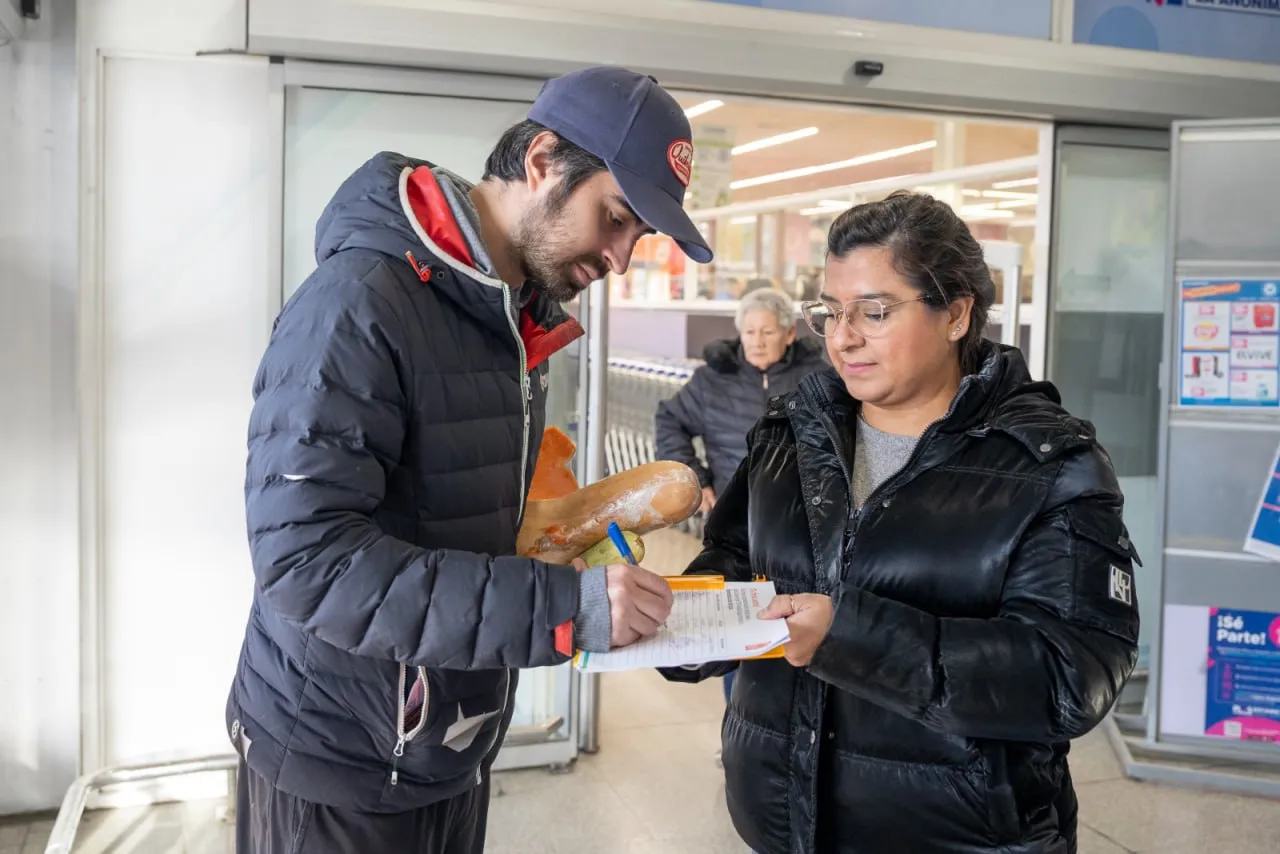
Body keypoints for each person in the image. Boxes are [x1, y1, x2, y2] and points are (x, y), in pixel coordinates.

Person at [225, 65, 713, 854]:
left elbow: (452, 515)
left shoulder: (514, 323)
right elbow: (306, 559)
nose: (622, 257)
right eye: (616, 218)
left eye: (639, 236)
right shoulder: (360, 302)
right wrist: (564, 610)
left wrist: (559, 540)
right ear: (544, 160)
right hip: (340, 757)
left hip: (445, 741)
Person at [662, 191, 1140, 854]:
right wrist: (671, 618)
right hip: (783, 826)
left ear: (957, 314)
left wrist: (850, 638)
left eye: (875, 312)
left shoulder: (1050, 466)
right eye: (830, 312)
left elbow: (1069, 675)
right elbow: (734, 565)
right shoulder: (789, 437)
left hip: (957, 837)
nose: (843, 336)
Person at [654, 288, 825, 710]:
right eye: (750, 331)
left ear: (789, 334)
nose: (758, 340)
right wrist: (696, 477)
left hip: (804, 525)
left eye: (768, 331)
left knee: (795, 623)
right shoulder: (714, 379)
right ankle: (741, 717)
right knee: (739, 626)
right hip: (739, 523)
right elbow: (670, 419)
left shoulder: (819, 375)